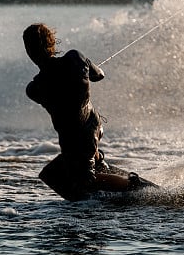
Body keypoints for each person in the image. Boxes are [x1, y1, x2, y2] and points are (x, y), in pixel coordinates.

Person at [23, 23, 135, 200]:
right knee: (52, 174)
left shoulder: (34, 88)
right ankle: (97, 163)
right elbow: (99, 75)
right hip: (87, 128)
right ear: (52, 44)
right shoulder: (75, 58)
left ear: (29, 52)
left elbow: (55, 92)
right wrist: (86, 67)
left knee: (84, 181)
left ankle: (133, 186)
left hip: (81, 135)